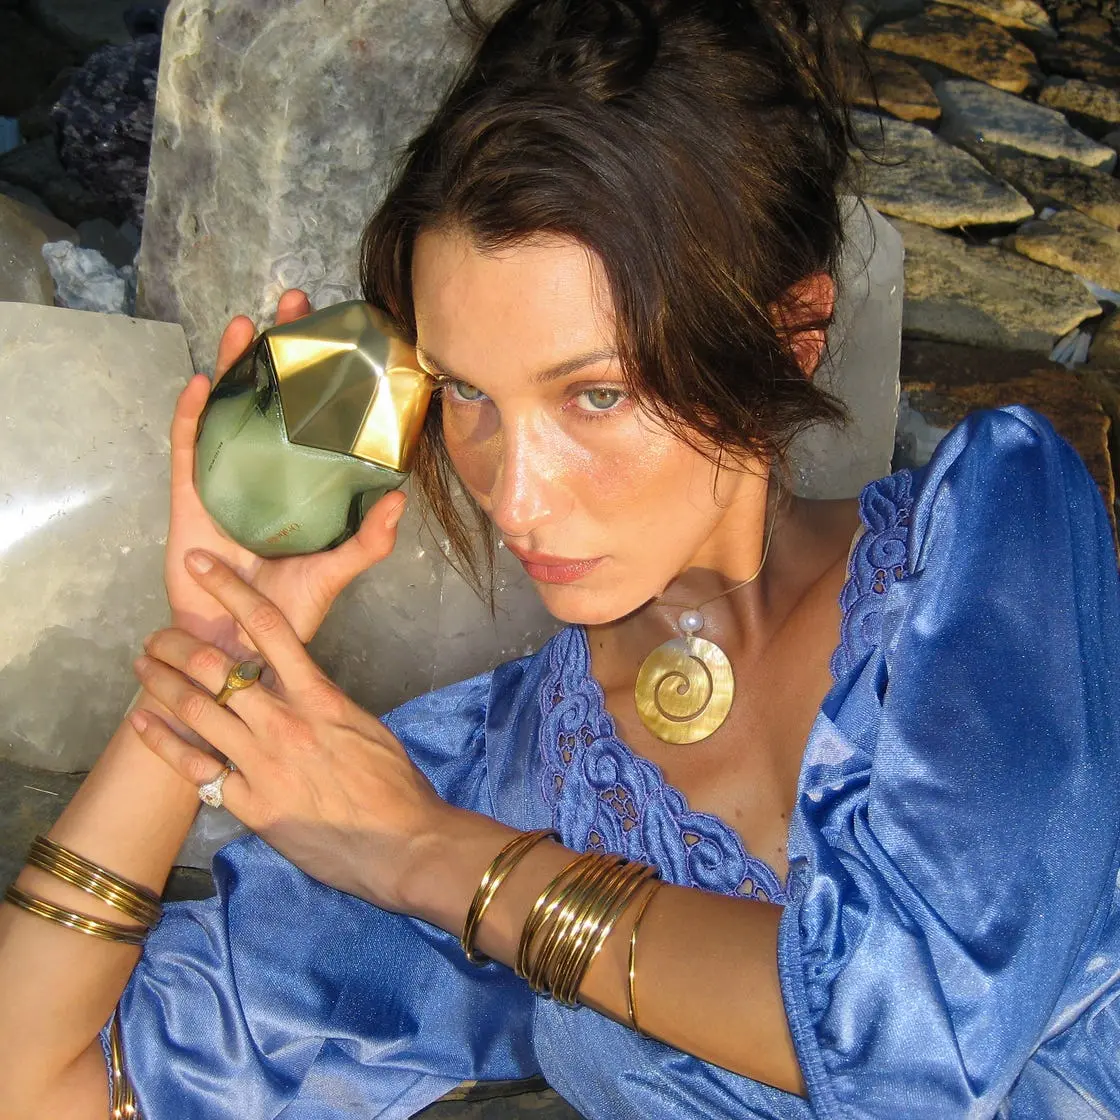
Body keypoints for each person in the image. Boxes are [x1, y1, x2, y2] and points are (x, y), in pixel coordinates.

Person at [1, 0, 1118, 1116]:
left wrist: (435, 856)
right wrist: (211, 649)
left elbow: (919, 1052)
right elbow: (41, 1084)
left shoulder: (982, 547)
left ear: (790, 336)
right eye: (467, 392)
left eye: (597, 394)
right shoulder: (505, 766)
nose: (515, 497)